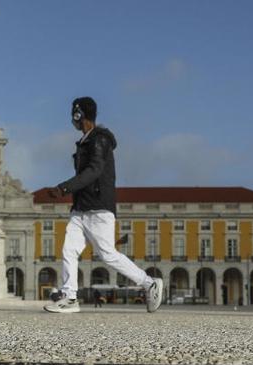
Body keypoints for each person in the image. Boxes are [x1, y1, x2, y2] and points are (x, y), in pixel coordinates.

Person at [44, 97, 163, 314]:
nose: (72, 119)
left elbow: (94, 171)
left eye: (74, 114)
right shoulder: (86, 141)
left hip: (98, 208)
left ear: (79, 115)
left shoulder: (99, 140)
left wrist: (63, 188)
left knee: (107, 254)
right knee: (68, 250)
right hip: (81, 208)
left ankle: (149, 283)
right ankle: (70, 297)